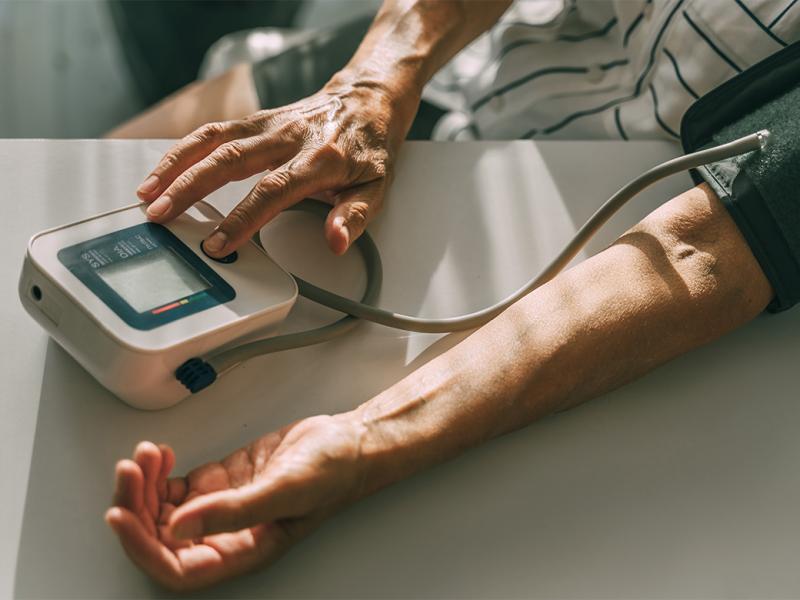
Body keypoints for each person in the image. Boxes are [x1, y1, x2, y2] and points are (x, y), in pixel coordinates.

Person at [104, 0, 798, 591]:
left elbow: (702, 251)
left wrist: (364, 441)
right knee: (115, 164)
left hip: (609, 224)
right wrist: (375, 78)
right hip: (437, 64)